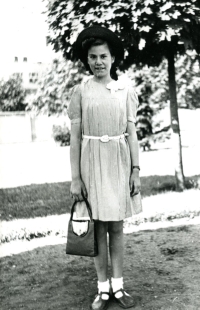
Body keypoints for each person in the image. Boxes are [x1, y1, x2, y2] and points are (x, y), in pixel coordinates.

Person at [68, 25, 142, 310]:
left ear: (113, 59)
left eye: (103, 56)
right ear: (87, 60)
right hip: (91, 163)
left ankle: (119, 287)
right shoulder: (80, 92)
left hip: (119, 162)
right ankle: (102, 289)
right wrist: (76, 178)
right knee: (97, 228)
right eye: (93, 56)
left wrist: (136, 169)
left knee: (117, 227)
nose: (98, 61)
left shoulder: (126, 91)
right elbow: (75, 138)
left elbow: (132, 133)